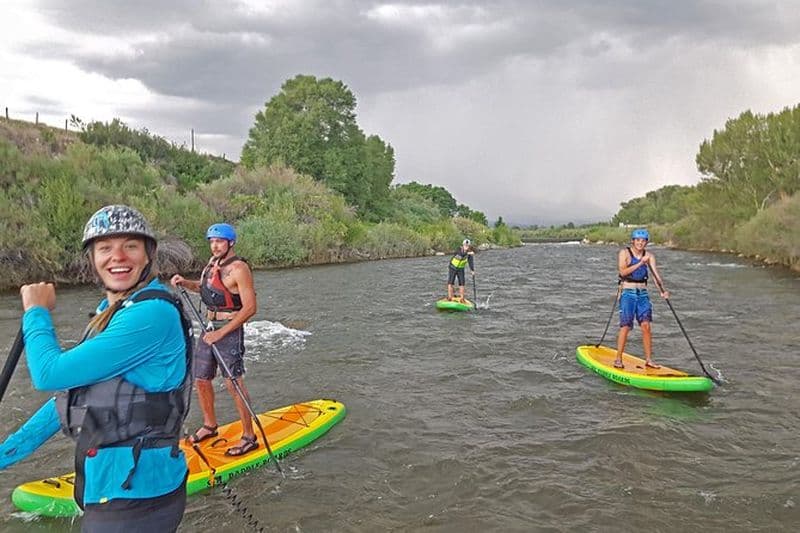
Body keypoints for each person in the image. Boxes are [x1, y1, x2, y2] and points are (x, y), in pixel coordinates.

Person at [0, 205, 192, 532]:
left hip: (138, 497)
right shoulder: (110, 311)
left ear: (148, 256)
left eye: (130, 245)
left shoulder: (151, 315)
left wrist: (36, 312)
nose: (118, 255)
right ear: (92, 259)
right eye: (105, 247)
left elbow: (49, 374)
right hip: (108, 489)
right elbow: (71, 396)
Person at [170, 223, 258, 457]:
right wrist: (185, 283)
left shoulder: (239, 269)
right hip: (209, 329)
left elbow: (250, 308)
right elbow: (207, 290)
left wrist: (221, 333)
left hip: (228, 330)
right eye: (211, 241)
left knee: (233, 383)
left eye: (219, 241)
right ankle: (210, 425)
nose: (214, 245)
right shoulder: (212, 264)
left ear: (230, 243)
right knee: (201, 378)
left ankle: (249, 436)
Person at [613, 228, 669, 369]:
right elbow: (623, 271)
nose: (640, 243)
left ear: (646, 242)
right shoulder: (624, 253)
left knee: (646, 325)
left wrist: (662, 291)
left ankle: (649, 360)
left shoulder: (649, 256)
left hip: (642, 292)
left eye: (643, 241)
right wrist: (640, 263)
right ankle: (618, 359)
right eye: (637, 240)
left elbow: (656, 276)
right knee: (626, 325)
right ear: (633, 241)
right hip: (627, 292)